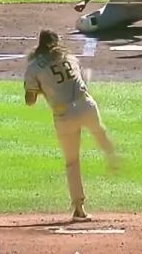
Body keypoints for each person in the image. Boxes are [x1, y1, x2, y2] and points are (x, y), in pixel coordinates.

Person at [23, 29, 117, 222]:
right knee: (99, 131)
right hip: (85, 104)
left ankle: (79, 208)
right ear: (57, 42)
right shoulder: (70, 58)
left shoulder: (33, 67)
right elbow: (76, 79)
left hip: (63, 114)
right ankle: (111, 155)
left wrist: (41, 90)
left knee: (72, 162)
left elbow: (29, 100)